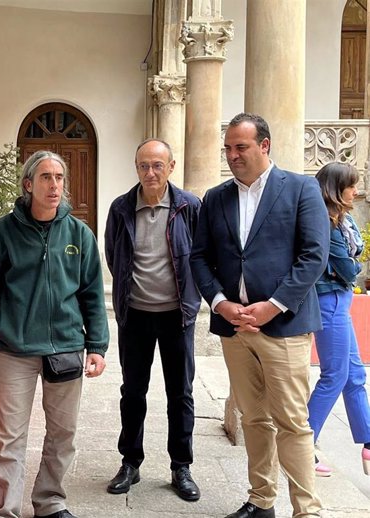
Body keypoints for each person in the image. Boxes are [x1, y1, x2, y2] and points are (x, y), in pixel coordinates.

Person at [0, 150, 109, 518]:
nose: (55, 185)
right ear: (28, 184)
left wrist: (96, 345)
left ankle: (50, 502)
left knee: (63, 435)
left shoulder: (79, 234)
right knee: (9, 437)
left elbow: (92, 293)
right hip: (16, 349)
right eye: (46, 177)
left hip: (66, 347)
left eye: (59, 178)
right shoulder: (2, 234)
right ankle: (7, 509)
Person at [189, 112, 329, 518]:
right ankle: (261, 500)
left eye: (241, 147)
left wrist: (273, 305)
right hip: (235, 328)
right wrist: (219, 302)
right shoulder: (216, 198)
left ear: (264, 145)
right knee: (253, 418)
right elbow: (200, 258)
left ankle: (307, 510)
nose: (232, 155)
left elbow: (313, 256)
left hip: (284, 327)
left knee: (292, 421)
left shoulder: (301, 188)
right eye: (228, 148)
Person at [104, 139, 202, 501]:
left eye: (157, 165)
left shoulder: (189, 206)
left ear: (171, 167)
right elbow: (114, 255)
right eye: (144, 166)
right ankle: (130, 462)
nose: (150, 173)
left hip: (178, 315)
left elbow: (201, 254)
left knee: (181, 394)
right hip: (136, 316)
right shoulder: (121, 208)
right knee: (132, 393)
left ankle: (181, 467)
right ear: (136, 168)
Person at [307, 162, 370, 478]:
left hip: (339, 300)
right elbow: (350, 270)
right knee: (335, 374)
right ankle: (303, 444)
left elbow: (349, 264)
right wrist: (346, 268)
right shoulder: (326, 226)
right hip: (329, 301)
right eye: (351, 186)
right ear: (335, 189)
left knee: (355, 374)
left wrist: (346, 267)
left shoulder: (343, 222)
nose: (355, 191)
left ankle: (369, 441)